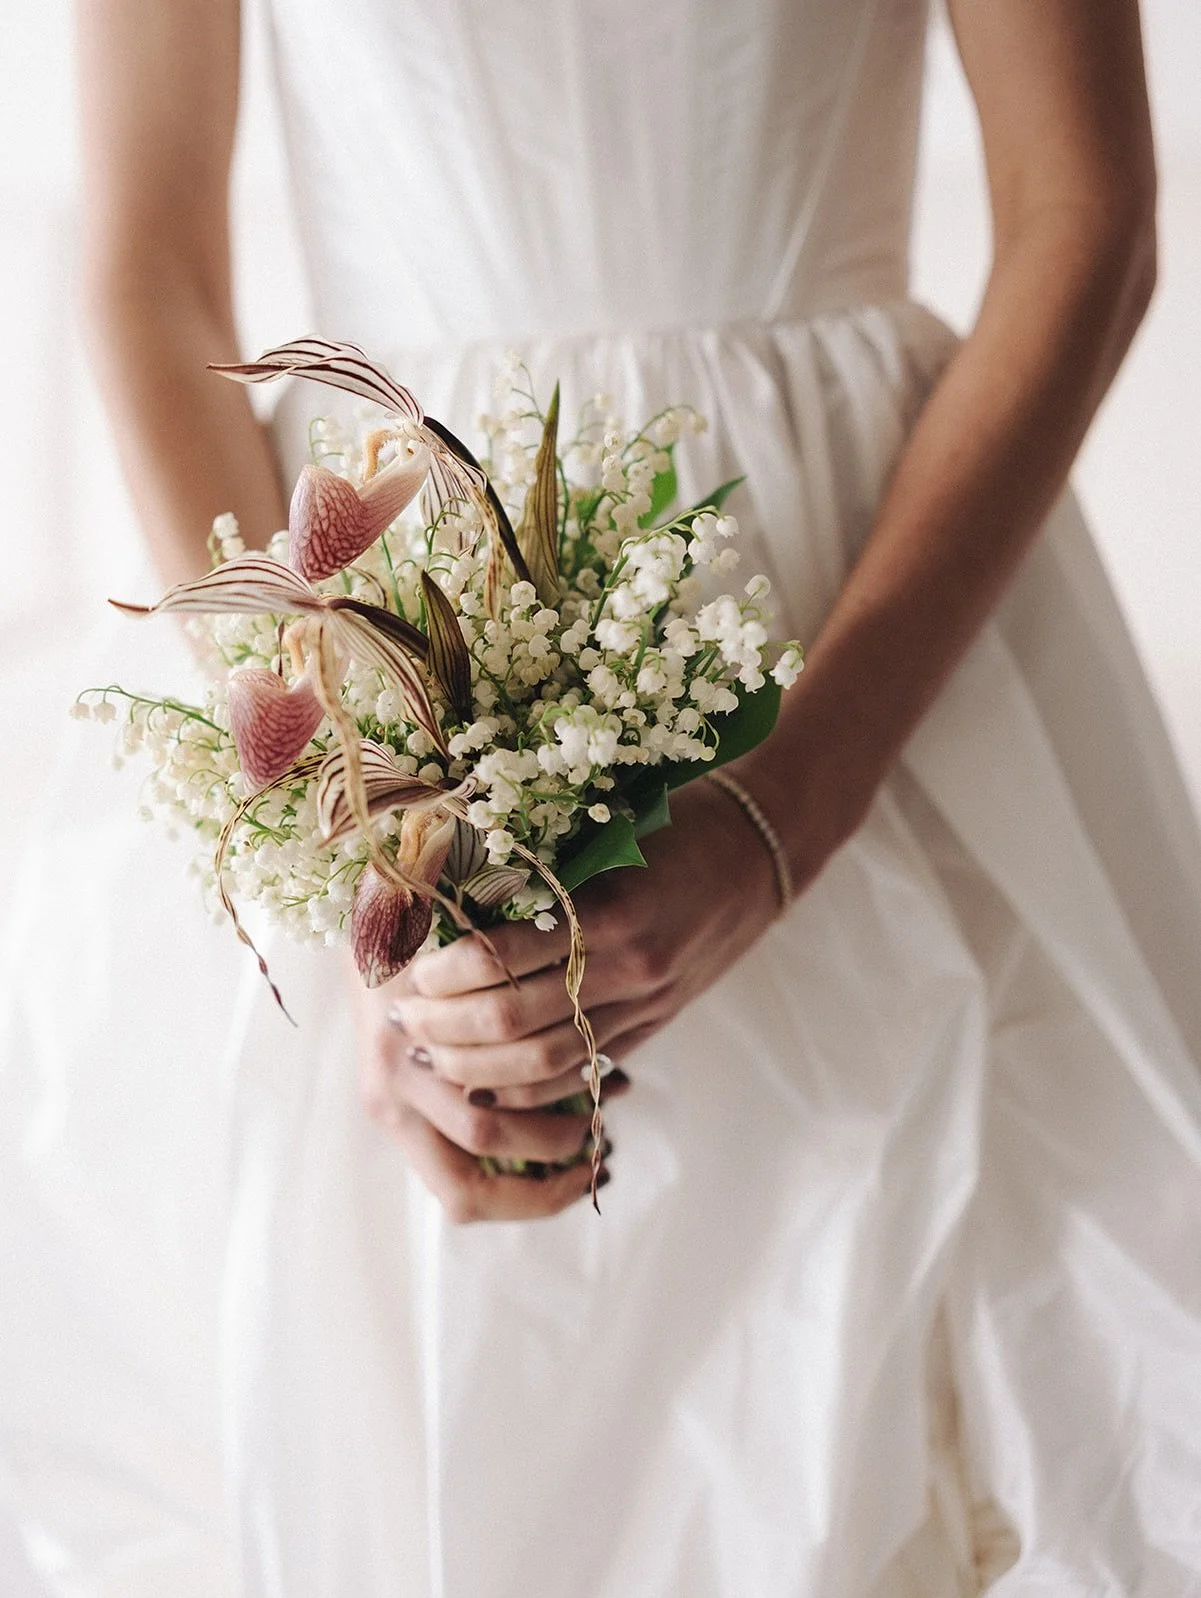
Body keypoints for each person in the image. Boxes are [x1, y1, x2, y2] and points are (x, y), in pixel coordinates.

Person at [26, 0, 1201, 1590]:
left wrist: (797, 805)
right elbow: (153, 269)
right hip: (385, 602)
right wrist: (353, 853)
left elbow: (1085, 216)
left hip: (878, 620)